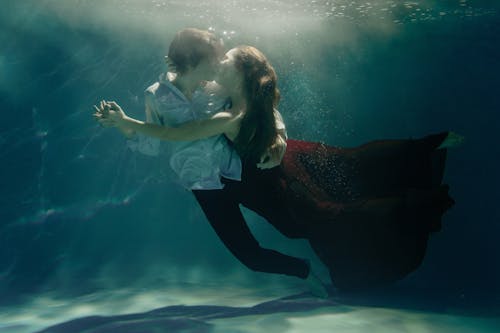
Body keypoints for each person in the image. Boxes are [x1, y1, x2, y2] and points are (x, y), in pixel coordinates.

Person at [95, 45, 460, 293]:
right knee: (347, 166)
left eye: (225, 59)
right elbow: (167, 133)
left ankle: (420, 181)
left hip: (264, 172)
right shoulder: (195, 90)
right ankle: (428, 149)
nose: (217, 59)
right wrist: (130, 121)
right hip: (249, 170)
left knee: (338, 198)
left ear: (237, 75)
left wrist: (126, 121)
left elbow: (176, 134)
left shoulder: (227, 107)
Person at [94, 31, 326, 296]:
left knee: (293, 226)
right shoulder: (155, 96)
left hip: (240, 171)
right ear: (190, 62)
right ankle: (302, 270)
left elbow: (262, 105)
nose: (219, 64)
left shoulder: (219, 87)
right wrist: (123, 126)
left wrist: (278, 139)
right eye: (214, 59)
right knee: (250, 257)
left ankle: (348, 241)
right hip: (204, 185)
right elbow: (151, 146)